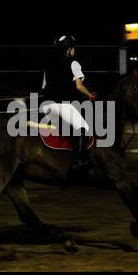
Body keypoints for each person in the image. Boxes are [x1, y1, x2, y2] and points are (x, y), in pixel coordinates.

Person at [41, 35, 96, 173]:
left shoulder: (48, 65)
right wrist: (90, 95)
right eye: (73, 47)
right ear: (68, 49)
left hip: (47, 105)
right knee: (84, 127)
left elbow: (44, 87)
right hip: (62, 105)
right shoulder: (73, 63)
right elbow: (79, 86)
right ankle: (78, 161)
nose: (74, 50)